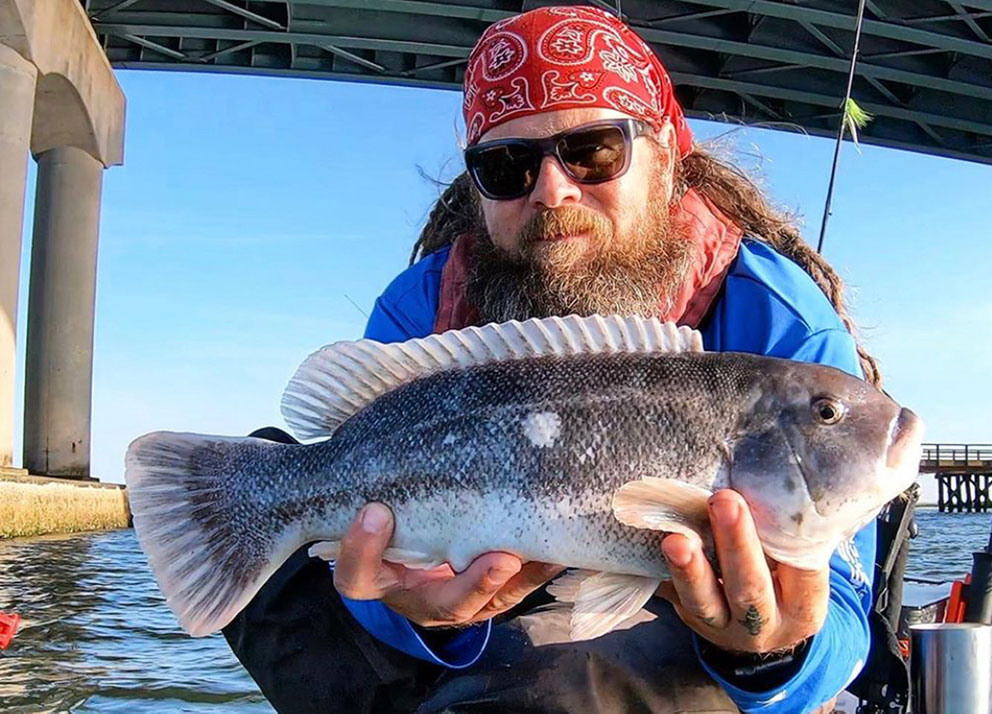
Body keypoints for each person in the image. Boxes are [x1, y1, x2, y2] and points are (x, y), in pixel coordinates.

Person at [224, 6, 885, 713]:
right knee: (256, 502)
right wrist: (415, 614)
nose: (552, 189)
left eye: (594, 150)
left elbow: (842, 609)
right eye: (506, 166)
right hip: (462, 622)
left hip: (676, 645)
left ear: (664, 157)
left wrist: (769, 647)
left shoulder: (779, 323)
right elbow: (363, 535)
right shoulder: (420, 305)